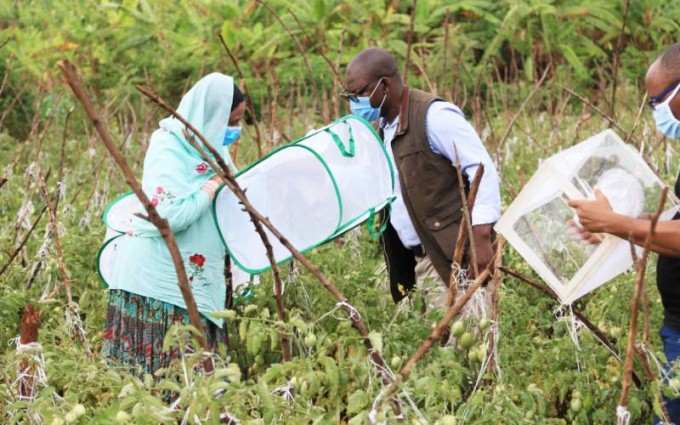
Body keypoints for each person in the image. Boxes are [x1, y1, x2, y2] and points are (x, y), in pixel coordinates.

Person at [101, 73, 245, 375]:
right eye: (231, 121)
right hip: (155, 286)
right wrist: (211, 186)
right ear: (210, 116)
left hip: (195, 282)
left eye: (239, 122)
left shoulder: (214, 150)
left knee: (200, 390)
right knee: (158, 387)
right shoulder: (169, 146)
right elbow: (167, 216)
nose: (235, 130)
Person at [342, 48, 501, 321]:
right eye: (350, 96)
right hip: (421, 259)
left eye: (360, 94)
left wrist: (482, 237)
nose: (355, 103)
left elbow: (480, 169)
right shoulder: (384, 128)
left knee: (463, 347)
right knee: (441, 350)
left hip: (455, 257)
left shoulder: (433, 117)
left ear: (385, 85)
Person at [568, 42, 680, 423]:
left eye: (658, 102)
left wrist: (617, 223)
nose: (656, 114)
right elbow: (675, 222)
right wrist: (613, 225)